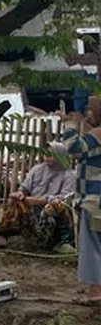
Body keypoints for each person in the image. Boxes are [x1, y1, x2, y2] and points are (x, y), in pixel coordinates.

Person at [0, 142, 75, 253]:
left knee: (56, 205)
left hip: (53, 217)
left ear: (60, 156)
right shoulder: (37, 170)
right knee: (15, 200)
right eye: (46, 153)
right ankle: (2, 237)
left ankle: (59, 242)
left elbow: (65, 198)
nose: (46, 156)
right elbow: (24, 187)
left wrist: (37, 201)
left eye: (51, 154)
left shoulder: (69, 175)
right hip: (32, 215)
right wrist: (20, 194)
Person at [61, 97, 101, 305]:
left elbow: (75, 148)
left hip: (95, 199)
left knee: (93, 245)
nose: (87, 114)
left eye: (90, 110)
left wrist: (68, 125)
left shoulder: (98, 135)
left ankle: (96, 291)